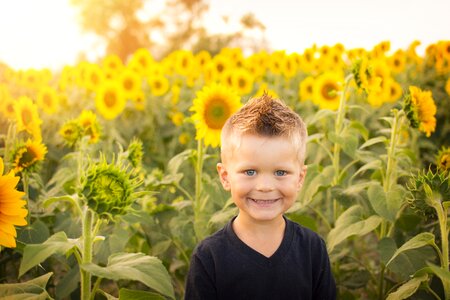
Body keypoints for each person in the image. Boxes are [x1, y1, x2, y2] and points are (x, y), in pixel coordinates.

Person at [185, 93, 336, 300]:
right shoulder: (209, 257)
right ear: (225, 176)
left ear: (300, 178)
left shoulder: (312, 250)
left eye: (280, 172)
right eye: (250, 172)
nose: (265, 187)